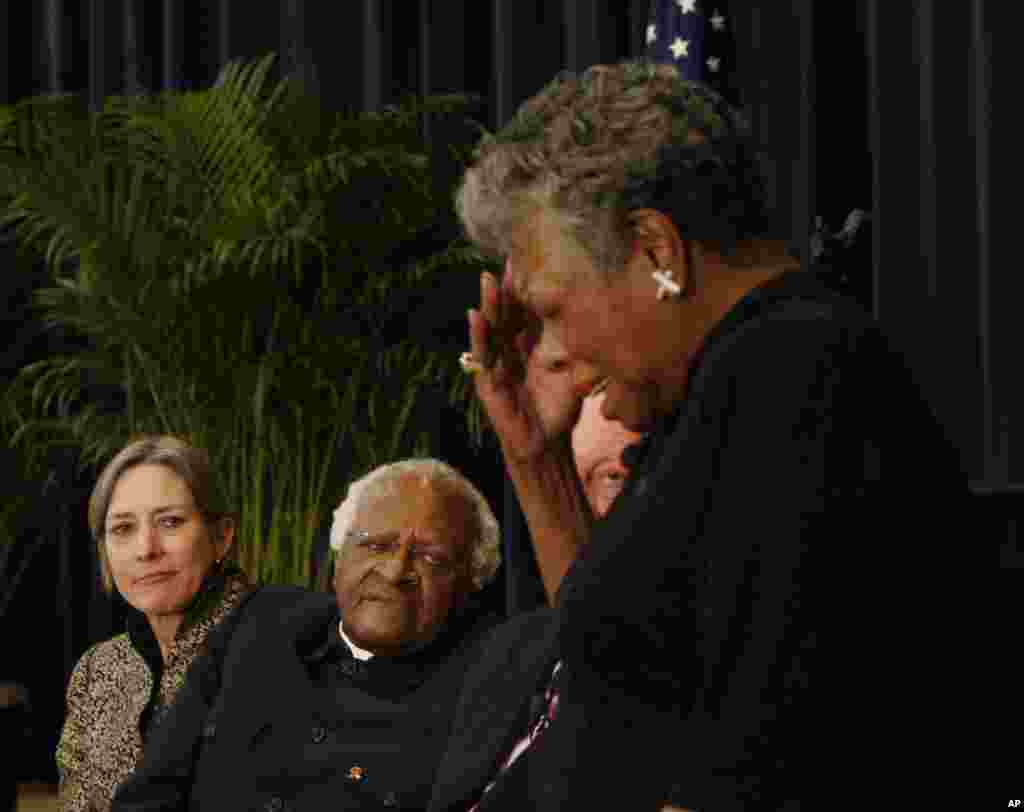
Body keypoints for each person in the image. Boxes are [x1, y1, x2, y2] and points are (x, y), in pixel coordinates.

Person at [436, 60, 965, 810]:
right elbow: (622, 662)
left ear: (657, 250)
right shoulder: (729, 382)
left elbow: (749, 764)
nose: (551, 347)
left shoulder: (793, 375)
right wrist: (536, 458)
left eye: (553, 307)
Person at [111, 458, 503, 812]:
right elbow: (148, 796)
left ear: (471, 584)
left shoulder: (489, 687)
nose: (394, 570)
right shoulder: (258, 624)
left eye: (430, 557)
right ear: (339, 557)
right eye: (375, 545)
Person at [55, 436, 251, 812]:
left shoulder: (277, 645)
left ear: (221, 536)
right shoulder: (99, 670)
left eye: (170, 522)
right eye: (123, 528)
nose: (146, 548)